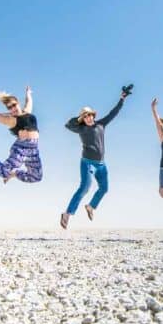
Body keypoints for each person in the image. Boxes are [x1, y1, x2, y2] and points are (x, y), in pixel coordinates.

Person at [60, 88, 129, 229]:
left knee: (104, 188)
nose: (89, 118)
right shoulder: (81, 128)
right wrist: (79, 119)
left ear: (93, 115)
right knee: (84, 187)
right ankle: (67, 214)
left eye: (90, 115)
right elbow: (67, 125)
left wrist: (122, 98)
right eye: (86, 116)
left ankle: (91, 207)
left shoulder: (101, 124)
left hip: (101, 164)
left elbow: (113, 113)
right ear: (83, 119)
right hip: (87, 163)